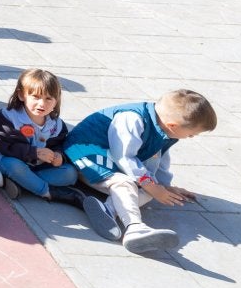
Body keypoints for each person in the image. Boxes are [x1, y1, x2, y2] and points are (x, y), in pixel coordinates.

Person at [66, 88, 216, 254]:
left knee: (151, 190)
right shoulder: (132, 118)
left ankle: (109, 209)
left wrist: (163, 186)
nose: (191, 138)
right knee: (126, 183)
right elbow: (124, 157)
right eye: (191, 135)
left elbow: (158, 157)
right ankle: (134, 227)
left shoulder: (167, 131)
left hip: (112, 157)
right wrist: (150, 185)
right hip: (85, 153)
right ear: (173, 126)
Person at [0, 68, 84, 204]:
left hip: (40, 168)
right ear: (22, 95)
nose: (42, 104)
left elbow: (59, 143)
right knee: (10, 164)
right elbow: (4, 145)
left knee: (70, 173)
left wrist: (58, 155)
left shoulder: (56, 124)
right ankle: (49, 192)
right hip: (16, 161)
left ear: (56, 101)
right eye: (36, 97)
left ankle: (25, 184)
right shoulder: (9, 117)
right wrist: (34, 152)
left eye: (48, 99)